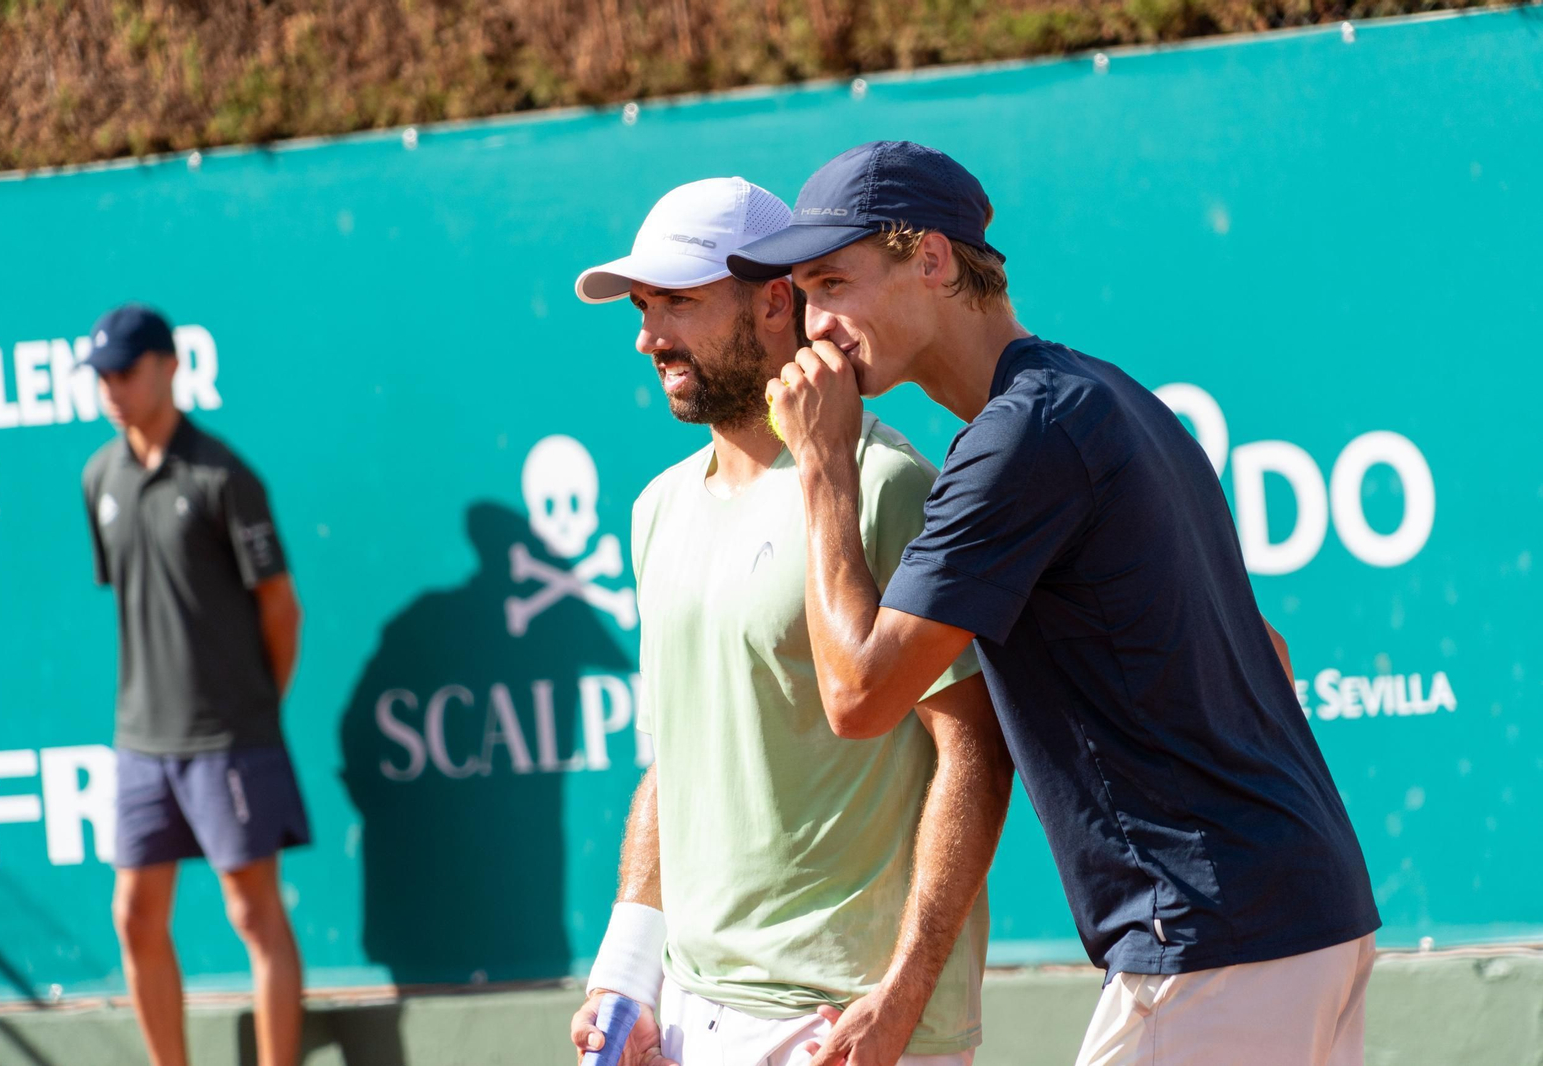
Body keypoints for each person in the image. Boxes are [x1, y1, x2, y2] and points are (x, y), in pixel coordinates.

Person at [732, 142, 1380, 1066]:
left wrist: (827, 468)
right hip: (1302, 916)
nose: (815, 325)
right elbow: (1266, 650)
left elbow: (859, 697)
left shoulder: (1022, 437)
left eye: (833, 282)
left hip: (1216, 940)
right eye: (803, 294)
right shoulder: (1111, 397)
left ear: (932, 259)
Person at [566, 178, 1014, 1066]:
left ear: (777, 302)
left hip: (851, 1026)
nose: (650, 336)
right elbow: (678, 763)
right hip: (694, 1013)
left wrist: (906, 995)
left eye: (681, 304)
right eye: (645, 307)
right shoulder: (657, 509)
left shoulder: (886, 486)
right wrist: (628, 973)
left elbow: (975, 753)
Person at [80, 304, 309, 1066]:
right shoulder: (99, 478)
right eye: (103, 375)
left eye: (127, 371)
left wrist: (251, 709)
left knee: (253, 914)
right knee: (134, 916)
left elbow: (280, 609)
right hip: (142, 743)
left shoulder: (223, 476)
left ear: (169, 366)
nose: (113, 388)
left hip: (230, 739)